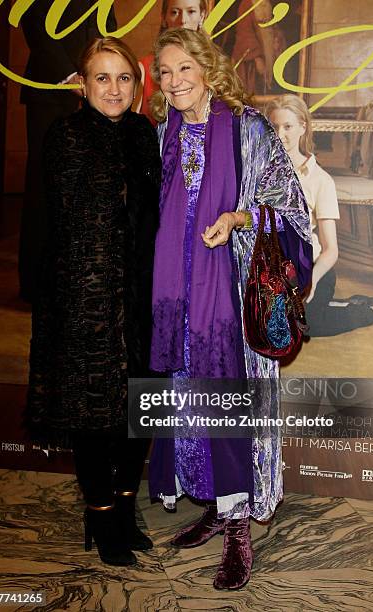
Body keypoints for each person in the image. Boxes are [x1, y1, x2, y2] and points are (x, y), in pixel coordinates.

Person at [147, 28, 312, 590]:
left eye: (182, 70)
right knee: (188, 398)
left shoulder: (247, 128)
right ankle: (216, 507)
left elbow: (290, 208)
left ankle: (239, 524)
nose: (172, 83)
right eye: (163, 73)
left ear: (206, 68)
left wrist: (238, 219)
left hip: (229, 292)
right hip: (177, 295)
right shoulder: (163, 131)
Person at [25, 37, 161, 566]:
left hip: (140, 296)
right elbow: (70, 226)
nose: (114, 88)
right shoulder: (67, 134)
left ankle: (126, 509)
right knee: (93, 413)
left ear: (137, 84)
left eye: (123, 77)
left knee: (139, 411)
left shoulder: (144, 135)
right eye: (101, 78)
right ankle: (100, 514)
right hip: (84, 296)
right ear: (82, 85)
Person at [19, 0, 117, 302]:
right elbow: (34, 23)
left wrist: (99, 78)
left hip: (92, 95)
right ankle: (38, 286)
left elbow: (107, 29)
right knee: (46, 189)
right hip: (50, 94)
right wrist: (67, 78)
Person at [266, 94, 373, 336]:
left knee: (306, 325)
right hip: (274, 270)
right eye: (274, 126)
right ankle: (342, 302)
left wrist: (311, 279)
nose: (280, 133)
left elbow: (331, 250)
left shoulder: (321, 180)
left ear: (302, 127)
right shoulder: (262, 173)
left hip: (315, 268)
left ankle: (369, 312)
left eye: (288, 126)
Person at [138, 0, 207, 123]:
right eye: (175, 12)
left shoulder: (215, 63)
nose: (182, 20)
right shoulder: (143, 68)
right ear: (164, 17)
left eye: (191, 11)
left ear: (202, 15)